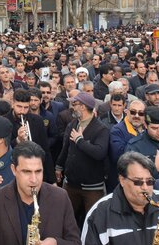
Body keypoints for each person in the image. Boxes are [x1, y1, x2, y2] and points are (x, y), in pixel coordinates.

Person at [81, 151, 159, 245]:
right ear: (122, 180)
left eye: (150, 181)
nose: (145, 187)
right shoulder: (99, 213)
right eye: (138, 182)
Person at [0, 141, 81, 245]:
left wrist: (56, 243)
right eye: (27, 172)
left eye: (38, 171)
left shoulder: (60, 197)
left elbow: (75, 242)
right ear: (14, 170)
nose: (34, 180)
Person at [55, 92, 109, 227]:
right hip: (71, 184)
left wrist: (80, 141)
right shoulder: (73, 124)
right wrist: (59, 166)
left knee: (94, 223)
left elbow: (99, 153)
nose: (72, 107)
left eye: (75, 104)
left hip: (92, 188)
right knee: (64, 219)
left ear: (83, 107)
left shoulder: (101, 129)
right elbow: (66, 147)